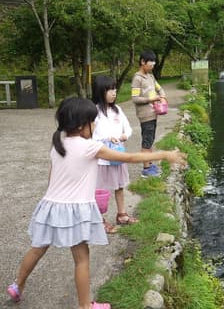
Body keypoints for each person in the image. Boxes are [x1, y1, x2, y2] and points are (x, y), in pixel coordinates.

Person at [7, 97, 186, 309]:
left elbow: (52, 176)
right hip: (75, 210)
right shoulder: (90, 147)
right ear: (82, 125)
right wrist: (164, 154)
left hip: (51, 205)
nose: (94, 126)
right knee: (82, 259)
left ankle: (17, 285)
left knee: (37, 248)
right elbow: (128, 158)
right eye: (93, 122)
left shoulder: (58, 144)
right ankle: (86, 306)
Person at [92, 75, 137, 233]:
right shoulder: (94, 112)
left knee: (119, 186)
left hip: (118, 156)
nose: (114, 92)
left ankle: (121, 214)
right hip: (102, 159)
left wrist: (125, 136)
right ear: (100, 91)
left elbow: (129, 129)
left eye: (115, 89)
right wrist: (105, 138)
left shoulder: (118, 110)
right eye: (109, 89)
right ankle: (99, 220)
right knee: (100, 190)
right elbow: (90, 136)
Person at [131, 50, 167, 177]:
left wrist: (162, 95)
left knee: (150, 140)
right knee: (146, 141)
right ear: (142, 62)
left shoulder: (150, 77)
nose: (153, 64)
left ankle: (150, 164)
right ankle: (146, 170)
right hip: (145, 116)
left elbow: (159, 88)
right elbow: (135, 99)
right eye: (151, 62)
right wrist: (151, 99)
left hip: (154, 114)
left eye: (154, 62)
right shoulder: (137, 79)